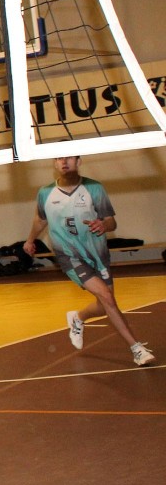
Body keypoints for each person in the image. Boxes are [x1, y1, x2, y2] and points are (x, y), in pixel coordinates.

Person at [24, 156, 154, 366]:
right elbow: (40, 219)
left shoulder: (94, 188)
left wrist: (104, 225)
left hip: (97, 253)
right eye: (59, 158)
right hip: (69, 256)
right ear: (54, 163)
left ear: (79, 161)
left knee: (104, 304)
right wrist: (30, 240)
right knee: (107, 297)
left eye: (69, 157)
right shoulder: (45, 193)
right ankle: (136, 348)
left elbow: (111, 222)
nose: (64, 161)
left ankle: (78, 317)